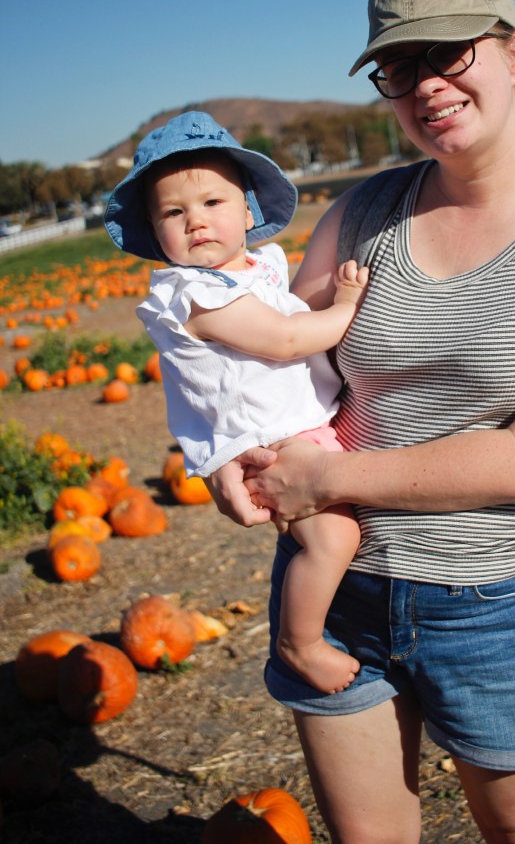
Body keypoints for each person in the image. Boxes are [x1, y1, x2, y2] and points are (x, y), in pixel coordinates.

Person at [207, 0, 515, 844]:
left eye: (451, 54)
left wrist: (327, 484)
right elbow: (280, 379)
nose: (426, 85)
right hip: (335, 588)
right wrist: (228, 453)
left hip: (495, 601)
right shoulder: (361, 212)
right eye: (399, 67)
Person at [104, 111, 367, 694]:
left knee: (336, 533)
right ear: (156, 234)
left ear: (248, 212)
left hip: (300, 424)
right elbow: (286, 338)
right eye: (174, 213)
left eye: (212, 203)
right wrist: (346, 306)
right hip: (272, 439)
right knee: (336, 538)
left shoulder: (257, 268)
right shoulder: (193, 294)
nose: (196, 221)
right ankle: (299, 643)